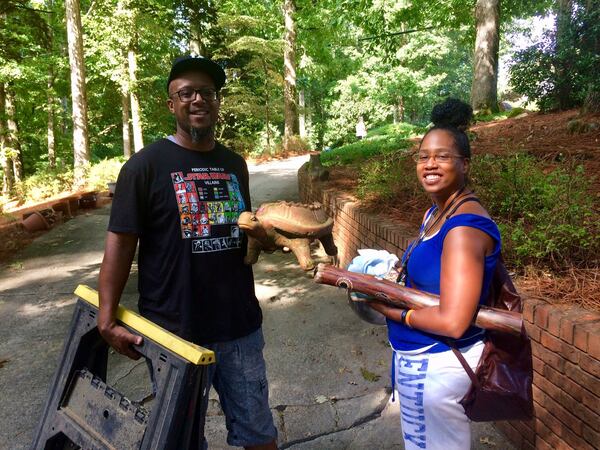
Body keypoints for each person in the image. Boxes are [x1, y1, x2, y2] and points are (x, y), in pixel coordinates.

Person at [97, 55, 278, 450]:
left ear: (217, 101)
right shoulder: (143, 167)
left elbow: (243, 233)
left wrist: (265, 237)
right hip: (174, 332)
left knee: (259, 432)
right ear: (171, 104)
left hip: (240, 326)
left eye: (207, 92)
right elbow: (120, 243)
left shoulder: (234, 164)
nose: (198, 99)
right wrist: (106, 317)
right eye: (187, 93)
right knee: (181, 439)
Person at [367, 98, 501, 450]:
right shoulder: (435, 213)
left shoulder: (463, 228)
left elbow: (454, 322)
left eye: (442, 156)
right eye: (424, 155)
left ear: (465, 164)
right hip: (418, 362)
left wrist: (392, 313)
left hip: (439, 365)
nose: (430, 164)